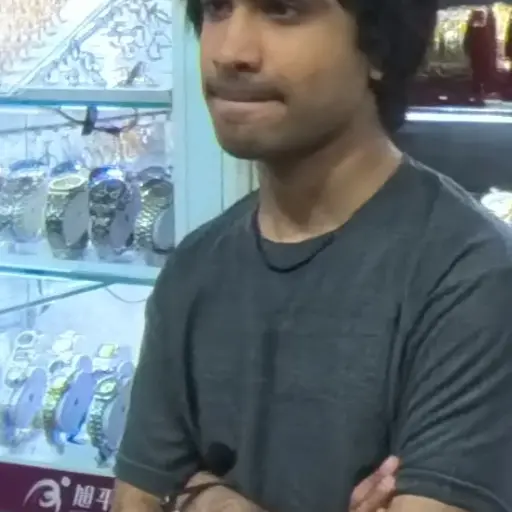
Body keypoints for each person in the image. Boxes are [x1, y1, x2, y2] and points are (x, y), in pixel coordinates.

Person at [113, 0, 512, 509]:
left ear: (378, 47)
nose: (230, 52)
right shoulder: (193, 268)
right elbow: (135, 498)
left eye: (281, 10)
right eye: (216, 8)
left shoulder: (473, 278)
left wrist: (197, 497)